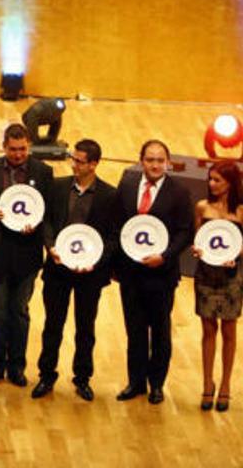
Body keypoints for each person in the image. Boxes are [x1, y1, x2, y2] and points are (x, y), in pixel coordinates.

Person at [32, 139, 117, 401]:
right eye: (73, 158)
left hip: (89, 274)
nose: (74, 164)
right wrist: (50, 246)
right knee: (52, 325)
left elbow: (113, 237)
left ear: (94, 164)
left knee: (85, 328)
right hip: (58, 269)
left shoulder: (109, 195)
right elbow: (46, 221)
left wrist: (97, 261)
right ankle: (46, 375)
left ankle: (82, 377)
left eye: (80, 161)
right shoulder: (57, 187)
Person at [0, 123, 53, 387]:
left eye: (22, 149)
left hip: (27, 254)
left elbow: (48, 212)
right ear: (4, 146)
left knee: (19, 312)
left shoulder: (43, 172)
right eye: (12, 149)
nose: (18, 154)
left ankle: (17, 366)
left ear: (28, 145)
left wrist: (37, 225)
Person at [114, 139, 193, 404]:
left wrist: (165, 256)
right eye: (150, 160)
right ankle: (135, 382)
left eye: (160, 160)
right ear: (141, 161)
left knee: (160, 331)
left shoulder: (179, 192)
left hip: (161, 275)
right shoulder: (126, 186)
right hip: (131, 274)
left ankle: (156, 384)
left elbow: (185, 232)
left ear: (168, 163)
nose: (155, 165)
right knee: (134, 330)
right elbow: (117, 226)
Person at [192, 160, 242, 412]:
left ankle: (225, 385)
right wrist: (197, 250)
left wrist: (237, 254)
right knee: (208, 330)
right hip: (206, 276)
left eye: (217, 180)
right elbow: (198, 238)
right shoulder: (202, 207)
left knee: (229, 331)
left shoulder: (241, 211)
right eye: (210, 179)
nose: (211, 184)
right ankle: (207, 383)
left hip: (232, 277)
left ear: (231, 183)